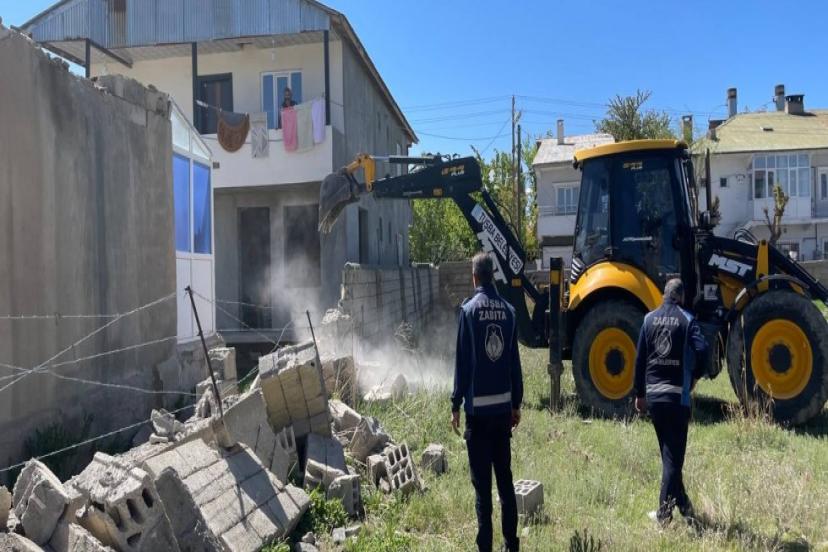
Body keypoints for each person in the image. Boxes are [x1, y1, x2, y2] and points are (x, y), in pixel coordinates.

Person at [452, 252, 523, 552]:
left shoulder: (468, 311)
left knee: (483, 487)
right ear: (492, 275)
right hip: (502, 412)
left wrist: (455, 403)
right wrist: (516, 404)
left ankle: (485, 547)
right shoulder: (508, 311)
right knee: (505, 482)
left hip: (478, 415)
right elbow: (513, 363)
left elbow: (463, 364)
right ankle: (511, 544)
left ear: (474, 277)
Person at [634, 278, 707, 526]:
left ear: (664, 295)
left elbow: (639, 359)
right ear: (682, 297)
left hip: (654, 399)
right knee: (674, 460)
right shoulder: (687, 319)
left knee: (670, 457)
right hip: (677, 398)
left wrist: (639, 394)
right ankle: (664, 516)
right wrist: (696, 375)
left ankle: (684, 505)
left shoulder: (648, 319)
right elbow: (703, 350)